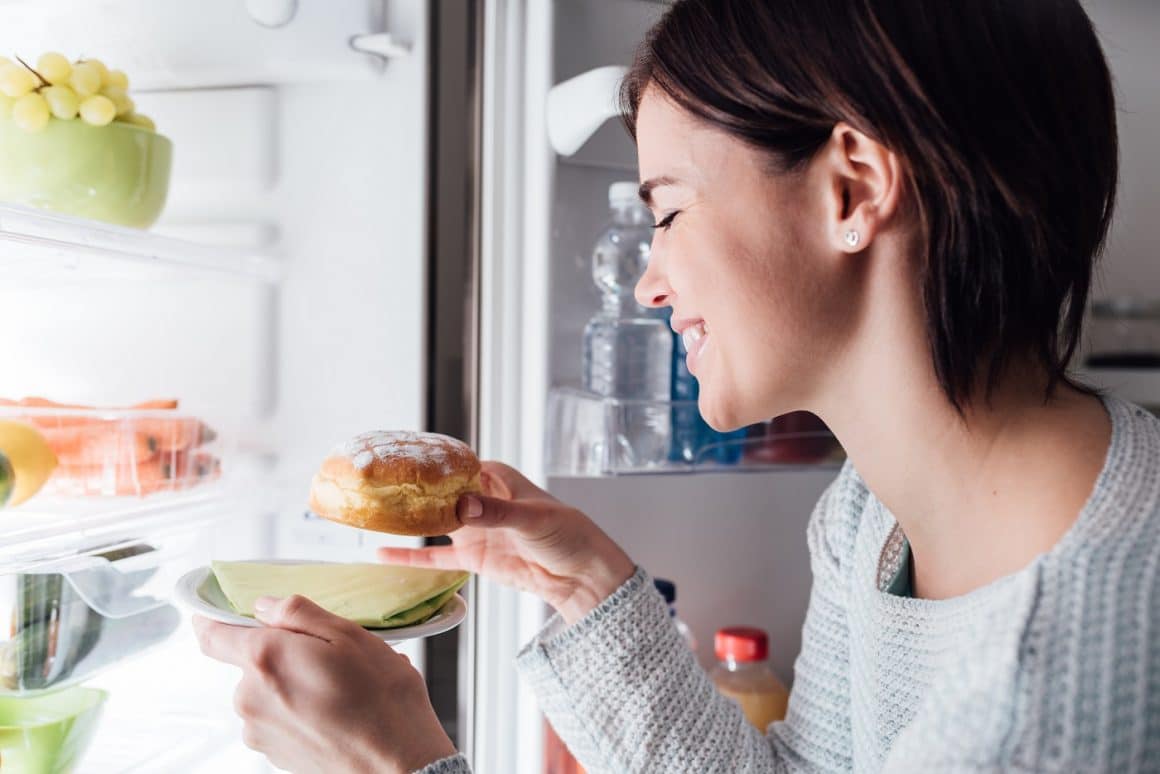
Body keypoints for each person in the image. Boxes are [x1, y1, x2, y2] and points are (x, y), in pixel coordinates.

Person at [194, 0, 1160, 771]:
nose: (650, 279)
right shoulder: (874, 517)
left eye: (670, 211)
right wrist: (590, 588)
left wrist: (392, 767)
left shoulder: (1057, 697)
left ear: (853, 190)